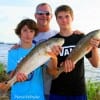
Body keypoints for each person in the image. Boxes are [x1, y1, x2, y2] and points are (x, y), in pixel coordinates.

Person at [47, 5, 100, 100]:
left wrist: (94, 47)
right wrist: (59, 67)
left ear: (72, 18)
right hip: (57, 90)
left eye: (67, 16)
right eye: (60, 17)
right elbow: (51, 72)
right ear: (56, 20)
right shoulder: (52, 41)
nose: (64, 20)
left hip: (78, 90)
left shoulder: (82, 38)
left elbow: (96, 64)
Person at [7, 18, 45, 100]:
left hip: (37, 96)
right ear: (19, 32)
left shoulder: (40, 50)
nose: (28, 34)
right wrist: (15, 78)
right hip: (18, 96)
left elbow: (50, 69)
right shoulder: (13, 52)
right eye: (25, 30)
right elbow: (10, 75)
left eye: (31, 31)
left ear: (35, 34)